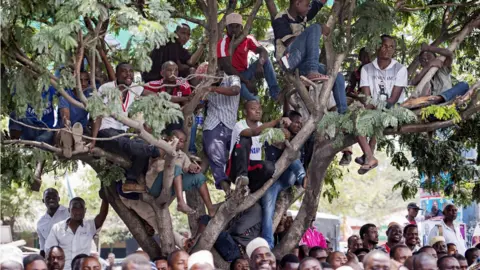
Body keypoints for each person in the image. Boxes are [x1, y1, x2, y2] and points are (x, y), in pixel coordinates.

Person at [90, 62, 160, 190]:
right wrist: (94, 140)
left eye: (131, 71)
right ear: (116, 74)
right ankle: (157, 151)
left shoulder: (134, 88)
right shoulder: (106, 88)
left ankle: (130, 181)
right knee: (128, 144)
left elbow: (156, 96)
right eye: (124, 71)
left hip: (122, 131)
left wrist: (181, 99)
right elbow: (97, 115)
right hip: (106, 132)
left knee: (140, 144)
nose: (128, 74)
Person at [272, 0, 347, 114]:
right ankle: (312, 70)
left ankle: (343, 116)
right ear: (297, 3)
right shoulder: (280, 18)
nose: (308, 8)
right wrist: (319, 28)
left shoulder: (302, 14)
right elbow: (290, 43)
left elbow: (318, 3)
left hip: (302, 64)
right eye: (307, 5)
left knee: (338, 77)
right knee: (316, 27)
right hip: (288, 61)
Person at [356, 34, 408, 174]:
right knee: (359, 120)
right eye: (385, 46)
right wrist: (367, 109)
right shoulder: (366, 69)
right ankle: (370, 157)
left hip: (394, 108)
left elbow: (393, 99)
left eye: (391, 47)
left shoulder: (400, 69)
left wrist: (374, 107)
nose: (388, 49)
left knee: (373, 118)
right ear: (377, 47)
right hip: (373, 106)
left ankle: (368, 156)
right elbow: (367, 98)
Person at [143, 129, 215, 215]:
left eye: (183, 141)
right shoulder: (161, 147)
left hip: (171, 187)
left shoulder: (182, 155)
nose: (180, 143)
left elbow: (187, 167)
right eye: (178, 139)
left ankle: (211, 209)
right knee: (175, 168)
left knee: (199, 177)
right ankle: (181, 202)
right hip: (155, 185)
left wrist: (192, 167)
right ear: (171, 138)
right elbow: (157, 162)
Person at [262, 110, 306, 248]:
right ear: (288, 121)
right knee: (268, 212)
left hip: (289, 178)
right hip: (273, 180)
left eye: (301, 123)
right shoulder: (276, 133)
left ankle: (302, 176)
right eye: (297, 122)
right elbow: (279, 142)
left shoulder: (300, 138)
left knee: (293, 154)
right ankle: (268, 244)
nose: (299, 125)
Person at [226, 100, 288, 195]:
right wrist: (276, 121)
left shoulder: (262, 126)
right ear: (245, 112)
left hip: (252, 169)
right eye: (253, 109)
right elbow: (253, 132)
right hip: (235, 169)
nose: (258, 111)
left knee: (270, 167)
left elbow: (281, 137)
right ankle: (242, 178)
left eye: (259, 109)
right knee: (245, 139)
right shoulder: (239, 125)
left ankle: (251, 190)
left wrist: (285, 129)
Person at [199, 64, 242, 194]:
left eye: (213, 73)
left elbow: (235, 90)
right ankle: (225, 187)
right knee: (216, 156)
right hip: (212, 124)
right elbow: (199, 103)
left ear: (220, 71)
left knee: (238, 156)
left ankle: (240, 185)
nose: (211, 77)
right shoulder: (205, 84)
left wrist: (213, 89)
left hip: (231, 125)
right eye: (208, 75)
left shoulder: (233, 79)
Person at [218, 13, 280, 101]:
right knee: (254, 100)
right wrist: (246, 82)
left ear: (241, 28)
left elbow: (263, 51)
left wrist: (259, 64)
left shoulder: (248, 39)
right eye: (231, 27)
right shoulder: (222, 43)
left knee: (266, 61)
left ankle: (275, 93)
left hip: (246, 73)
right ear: (226, 28)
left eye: (237, 26)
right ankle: (255, 103)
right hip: (232, 78)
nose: (234, 29)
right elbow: (227, 68)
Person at [45, 197, 109, 270]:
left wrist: (105, 197)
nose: (78, 211)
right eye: (74, 207)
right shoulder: (57, 228)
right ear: (69, 210)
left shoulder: (90, 226)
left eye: (81, 207)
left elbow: (103, 214)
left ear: (85, 210)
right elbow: (49, 252)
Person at [403, 43, 470, 109]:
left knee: (464, 85)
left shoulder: (443, 68)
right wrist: (429, 65)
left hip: (449, 104)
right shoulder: (422, 76)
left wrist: (429, 48)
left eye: (429, 57)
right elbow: (414, 82)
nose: (426, 60)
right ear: (421, 65)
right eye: (423, 60)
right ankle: (435, 100)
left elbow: (449, 54)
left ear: (436, 58)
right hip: (433, 109)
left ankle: (439, 98)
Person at [197, 203, 262, 262]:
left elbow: (238, 229)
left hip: (235, 249)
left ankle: (196, 241)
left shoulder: (256, 208)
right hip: (233, 246)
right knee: (206, 219)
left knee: (207, 220)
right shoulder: (243, 206)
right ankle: (196, 240)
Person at [37, 188, 70, 257]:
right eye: (48, 198)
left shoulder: (69, 214)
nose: (51, 200)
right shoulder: (40, 222)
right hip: (51, 259)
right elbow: (42, 247)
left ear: (59, 199)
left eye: (54, 197)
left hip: (68, 256)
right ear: (43, 200)